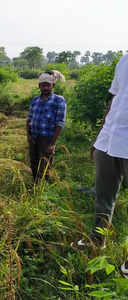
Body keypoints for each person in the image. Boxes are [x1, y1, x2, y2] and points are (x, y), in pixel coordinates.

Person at [71, 55, 128, 263]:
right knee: (103, 197)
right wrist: (100, 137)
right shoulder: (124, 61)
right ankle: (97, 240)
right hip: (110, 140)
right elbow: (114, 100)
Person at [26, 71, 66, 182]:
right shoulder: (35, 100)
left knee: (44, 165)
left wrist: (52, 143)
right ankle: (35, 184)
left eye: (48, 85)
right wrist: (28, 136)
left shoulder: (59, 100)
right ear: (39, 86)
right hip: (34, 137)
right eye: (43, 85)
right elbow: (29, 119)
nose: (45, 88)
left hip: (47, 139)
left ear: (53, 86)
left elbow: (60, 123)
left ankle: (43, 191)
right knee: (33, 163)